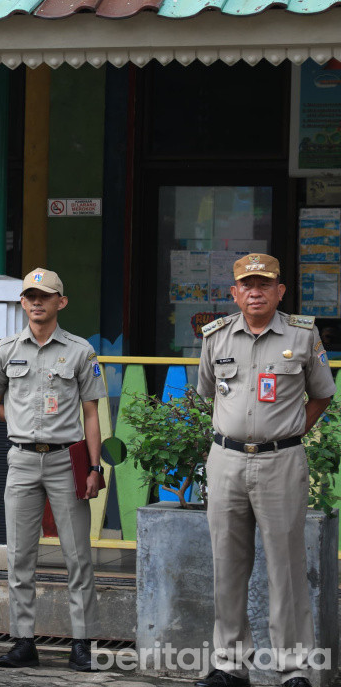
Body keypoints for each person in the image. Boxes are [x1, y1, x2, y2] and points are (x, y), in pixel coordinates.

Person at [193, 253, 334, 687]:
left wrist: (288, 432)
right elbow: (207, 394)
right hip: (227, 461)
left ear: (280, 291)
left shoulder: (302, 335)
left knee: (286, 567)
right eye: (247, 285)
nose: (255, 292)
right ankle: (229, 665)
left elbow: (321, 394)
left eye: (264, 284)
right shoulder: (216, 336)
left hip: (281, 463)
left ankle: (294, 670)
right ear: (234, 293)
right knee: (227, 564)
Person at [0, 268, 105, 672]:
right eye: (30, 296)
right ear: (22, 302)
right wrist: (21, 424)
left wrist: (94, 466)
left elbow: (91, 413)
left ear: (60, 302)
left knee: (77, 555)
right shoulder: (5, 350)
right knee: (19, 555)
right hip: (21, 460)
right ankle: (23, 642)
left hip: (66, 460)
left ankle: (82, 644)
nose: (37, 302)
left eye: (45, 296)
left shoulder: (81, 351)